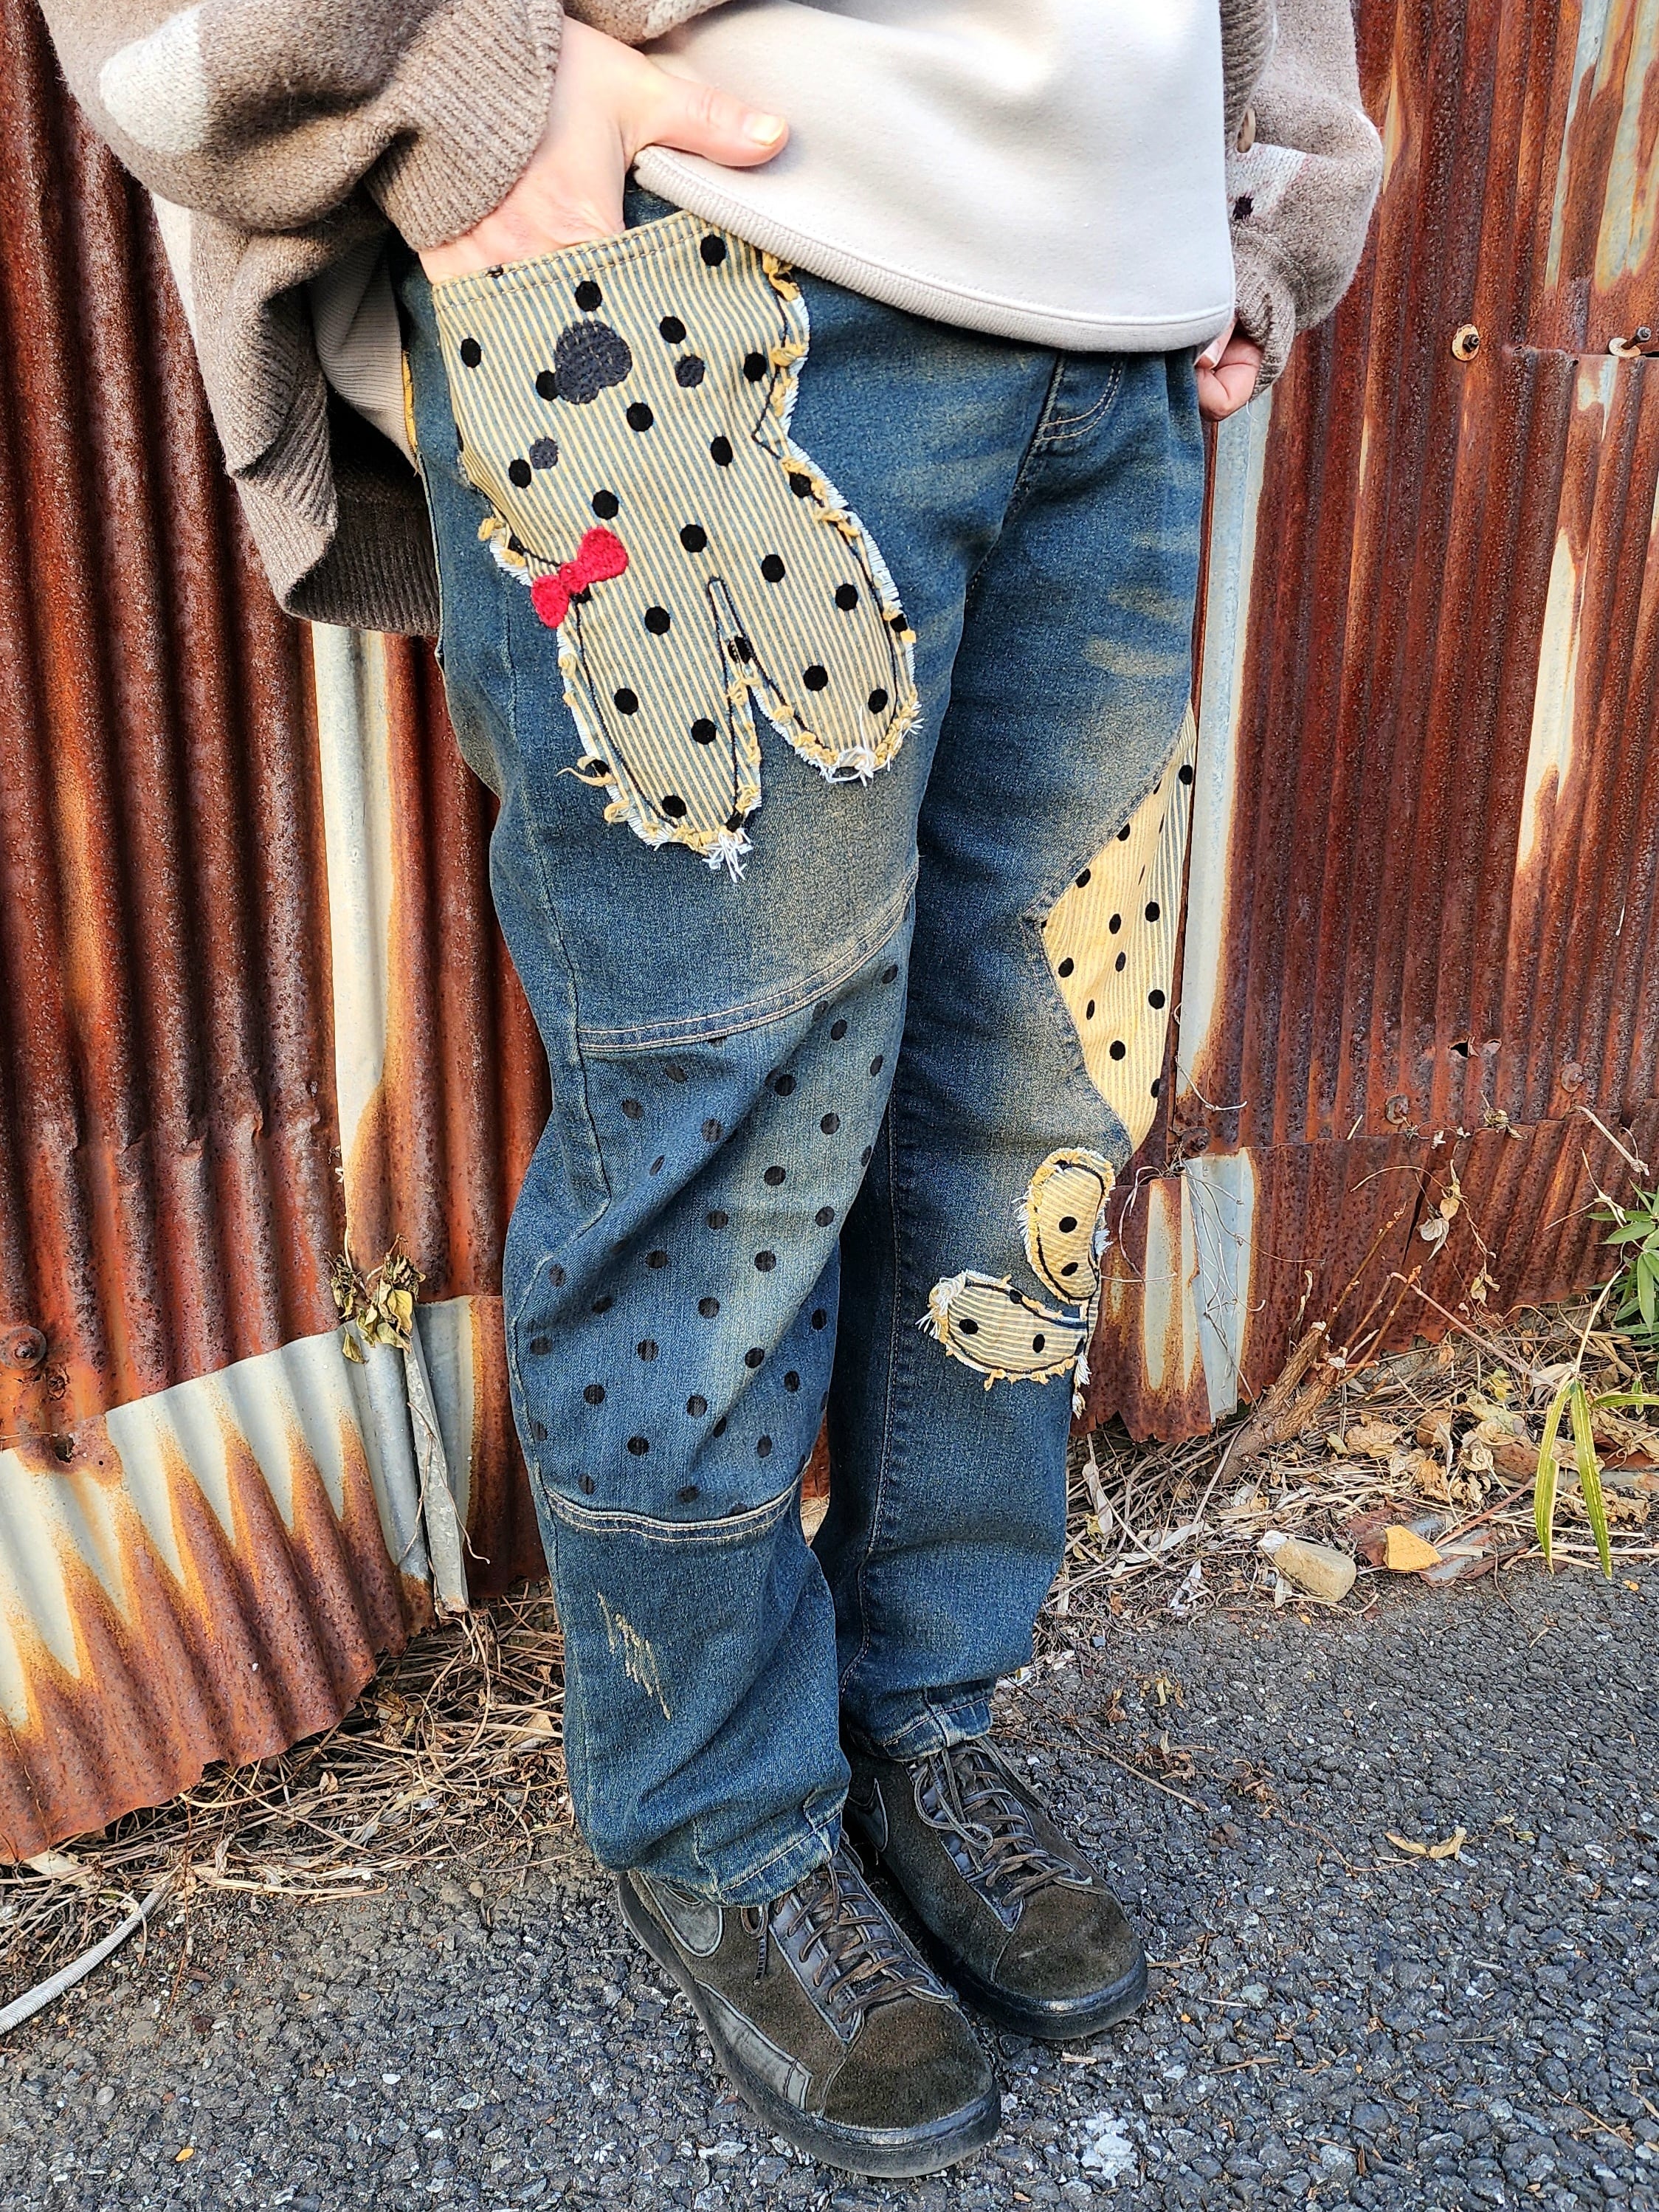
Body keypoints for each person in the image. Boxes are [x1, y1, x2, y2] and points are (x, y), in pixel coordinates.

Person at [44, 0, 1382, 2177]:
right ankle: (720, 1820)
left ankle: (916, 1717)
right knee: (720, 1139)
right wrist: (457, 91)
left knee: (1036, 1107)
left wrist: (1267, 184)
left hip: (1116, 328)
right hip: (697, 265)